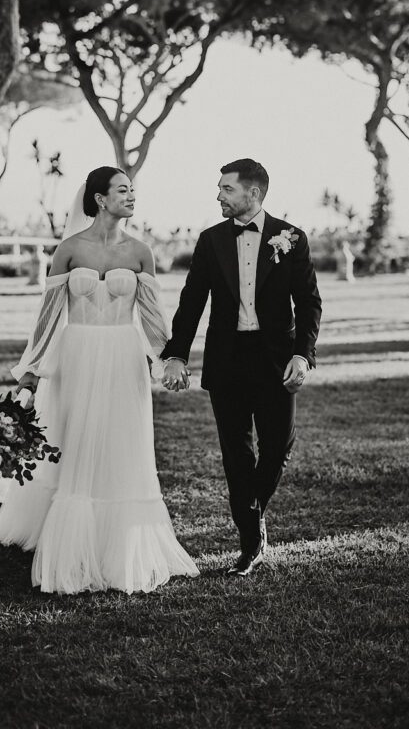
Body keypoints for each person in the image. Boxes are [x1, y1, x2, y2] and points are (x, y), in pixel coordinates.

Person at [0, 166, 199, 594]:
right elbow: (48, 317)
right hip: (75, 355)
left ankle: (118, 541)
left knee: (120, 442)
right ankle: (66, 534)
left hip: (122, 358)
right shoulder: (69, 249)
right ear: (99, 199)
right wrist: (30, 371)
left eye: (132, 190)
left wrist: (168, 360)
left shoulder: (141, 252)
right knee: (73, 440)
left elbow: (153, 318)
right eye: (122, 190)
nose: (131, 196)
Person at [162, 159, 322, 577]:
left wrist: (302, 355)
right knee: (236, 454)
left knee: (278, 446)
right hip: (227, 359)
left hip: (275, 359)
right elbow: (192, 300)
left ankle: (251, 510)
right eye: (220, 188)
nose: (219, 195)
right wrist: (177, 354)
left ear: (253, 193)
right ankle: (251, 542)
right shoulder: (211, 240)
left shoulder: (291, 238)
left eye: (226, 188)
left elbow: (309, 302)